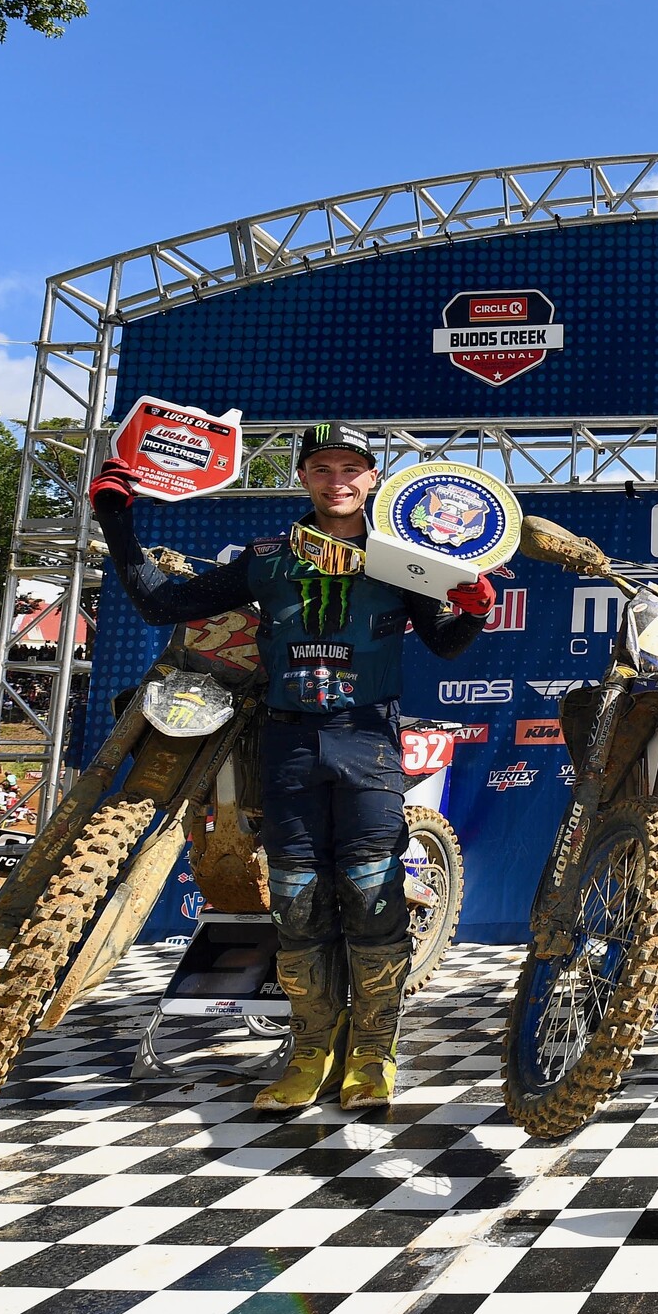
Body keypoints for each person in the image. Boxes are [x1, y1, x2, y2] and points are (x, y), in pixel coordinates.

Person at [88, 423, 494, 1112]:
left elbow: (447, 645)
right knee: (297, 903)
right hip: (288, 745)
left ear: (372, 478)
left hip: (367, 743)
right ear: (302, 476)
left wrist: (475, 611)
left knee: (371, 894)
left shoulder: (404, 561)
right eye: (322, 468)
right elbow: (161, 603)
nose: (338, 481)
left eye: (351, 469)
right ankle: (311, 1051)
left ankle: (374, 1051)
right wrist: (116, 517)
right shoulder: (267, 557)